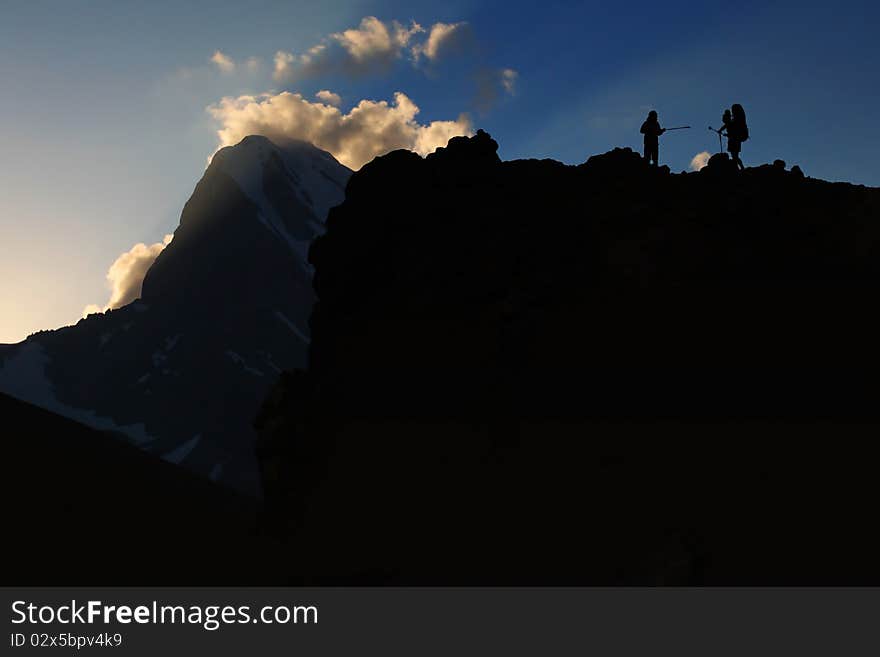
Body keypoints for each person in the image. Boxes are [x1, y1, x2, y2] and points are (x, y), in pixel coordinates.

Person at [720, 104, 748, 171]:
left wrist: (726, 134)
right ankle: (740, 168)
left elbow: (731, 129)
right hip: (736, 139)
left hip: (734, 140)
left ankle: (740, 168)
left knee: (734, 156)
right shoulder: (738, 120)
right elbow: (728, 126)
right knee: (735, 156)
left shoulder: (735, 121)